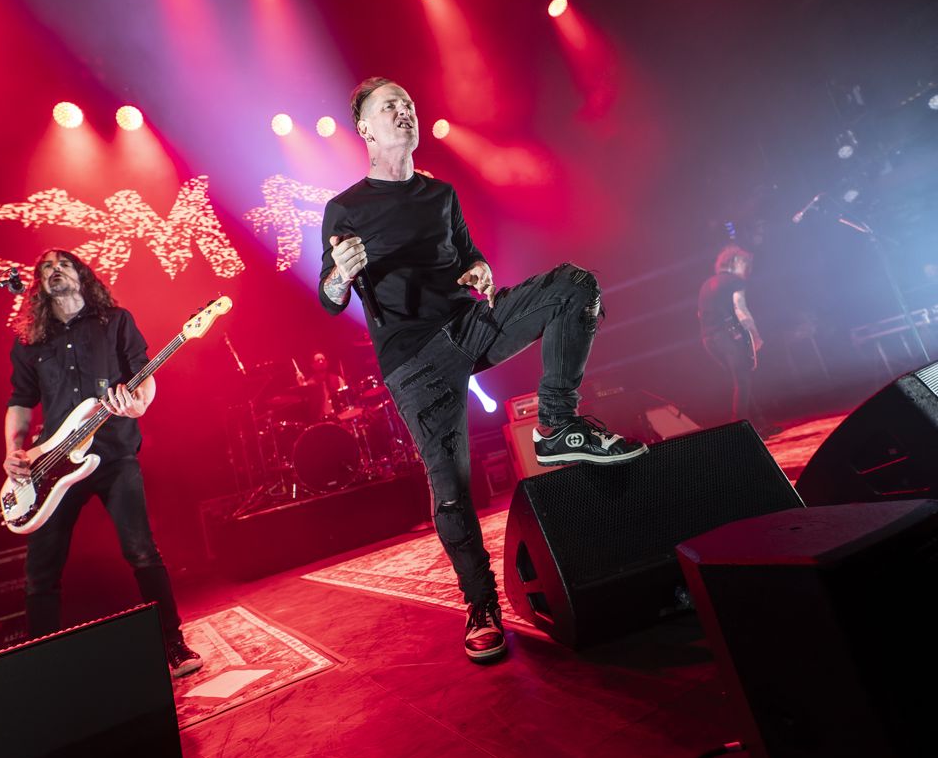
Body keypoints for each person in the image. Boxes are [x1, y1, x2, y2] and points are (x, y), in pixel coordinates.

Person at [318, 77, 647, 664]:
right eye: (389, 106)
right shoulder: (346, 208)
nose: (404, 111)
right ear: (364, 128)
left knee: (575, 285)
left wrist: (479, 270)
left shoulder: (439, 194)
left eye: (409, 104)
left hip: (469, 325)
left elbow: (468, 253)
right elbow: (330, 297)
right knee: (451, 492)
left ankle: (559, 424)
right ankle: (480, 604)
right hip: (414, 361)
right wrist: (341, 273)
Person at [4, 249, 202, 677]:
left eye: (63, 264)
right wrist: (12, 452)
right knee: (41, 573)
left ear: (81, 274)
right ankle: (44, 673)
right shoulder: (30, 342)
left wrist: (136, 405)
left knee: (142, 550)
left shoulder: (115, 321)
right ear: (40, 283)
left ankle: (174, 644)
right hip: (51, 465)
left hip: (113, 454)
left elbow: (143, 373)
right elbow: (20, 403)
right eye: (46, 268)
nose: (54, 270)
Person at [698, 245, 762, 423]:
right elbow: (740, 310)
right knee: (743, 380)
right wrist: (755, 335)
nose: (747, 268)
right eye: (744, 263)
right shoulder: (734, 281)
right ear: (734, 262)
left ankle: (758, 423)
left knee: (741, 380)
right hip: (728, 337)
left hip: (709, 339)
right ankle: (740, 426)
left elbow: (700, 314)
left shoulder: (707, 284)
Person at [308, 350, 347, 418]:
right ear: (313, 366)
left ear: (327, 363)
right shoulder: (309, 385)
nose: (321, 362)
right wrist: (302, 384)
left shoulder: (338, 379)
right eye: (317, 360)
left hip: (340, 416)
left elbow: (345, 399)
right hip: (321, 420)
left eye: (322, 359)